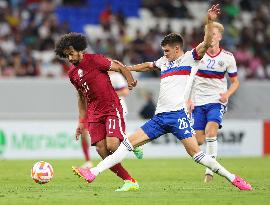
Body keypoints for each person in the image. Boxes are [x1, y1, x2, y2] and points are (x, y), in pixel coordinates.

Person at [72, 4, 252, 191]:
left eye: (166, 51)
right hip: (159, 118)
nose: (164, 54)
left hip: (178, 116)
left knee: (197, 155)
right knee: (126, 145)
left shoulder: (191, 58)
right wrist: (128, 68)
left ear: (176, 48)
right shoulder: (165, 61)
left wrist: (210, 20)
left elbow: (206, 43)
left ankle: (233, 178)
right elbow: (149, 65)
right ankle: (93, 172)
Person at [54, 32, 143, 192]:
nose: (70, 58)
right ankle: (130, 181)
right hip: (94, 112)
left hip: (110, 107)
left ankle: (129, 142)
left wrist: (130, 81)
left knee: (113, 145)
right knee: (101, 149)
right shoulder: (72, 73)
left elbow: (120, 67)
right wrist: (81, 121)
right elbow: (81, 97)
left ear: (80, 49)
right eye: (66, 55)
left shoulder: (95, 60)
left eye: (71, 53)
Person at [186, 21, 240, 183]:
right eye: (208, 34)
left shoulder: (228, 58)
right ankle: (210, 164)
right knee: (198, 141)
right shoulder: (197, 55)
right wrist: (188, 99)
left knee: (211, 131)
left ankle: (209, 171)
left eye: (214, 33)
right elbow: (189, 79)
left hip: (217, 100)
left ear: (220, 36)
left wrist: (227, 94)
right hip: (198, 101)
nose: (211, 37)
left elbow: (235, 82)